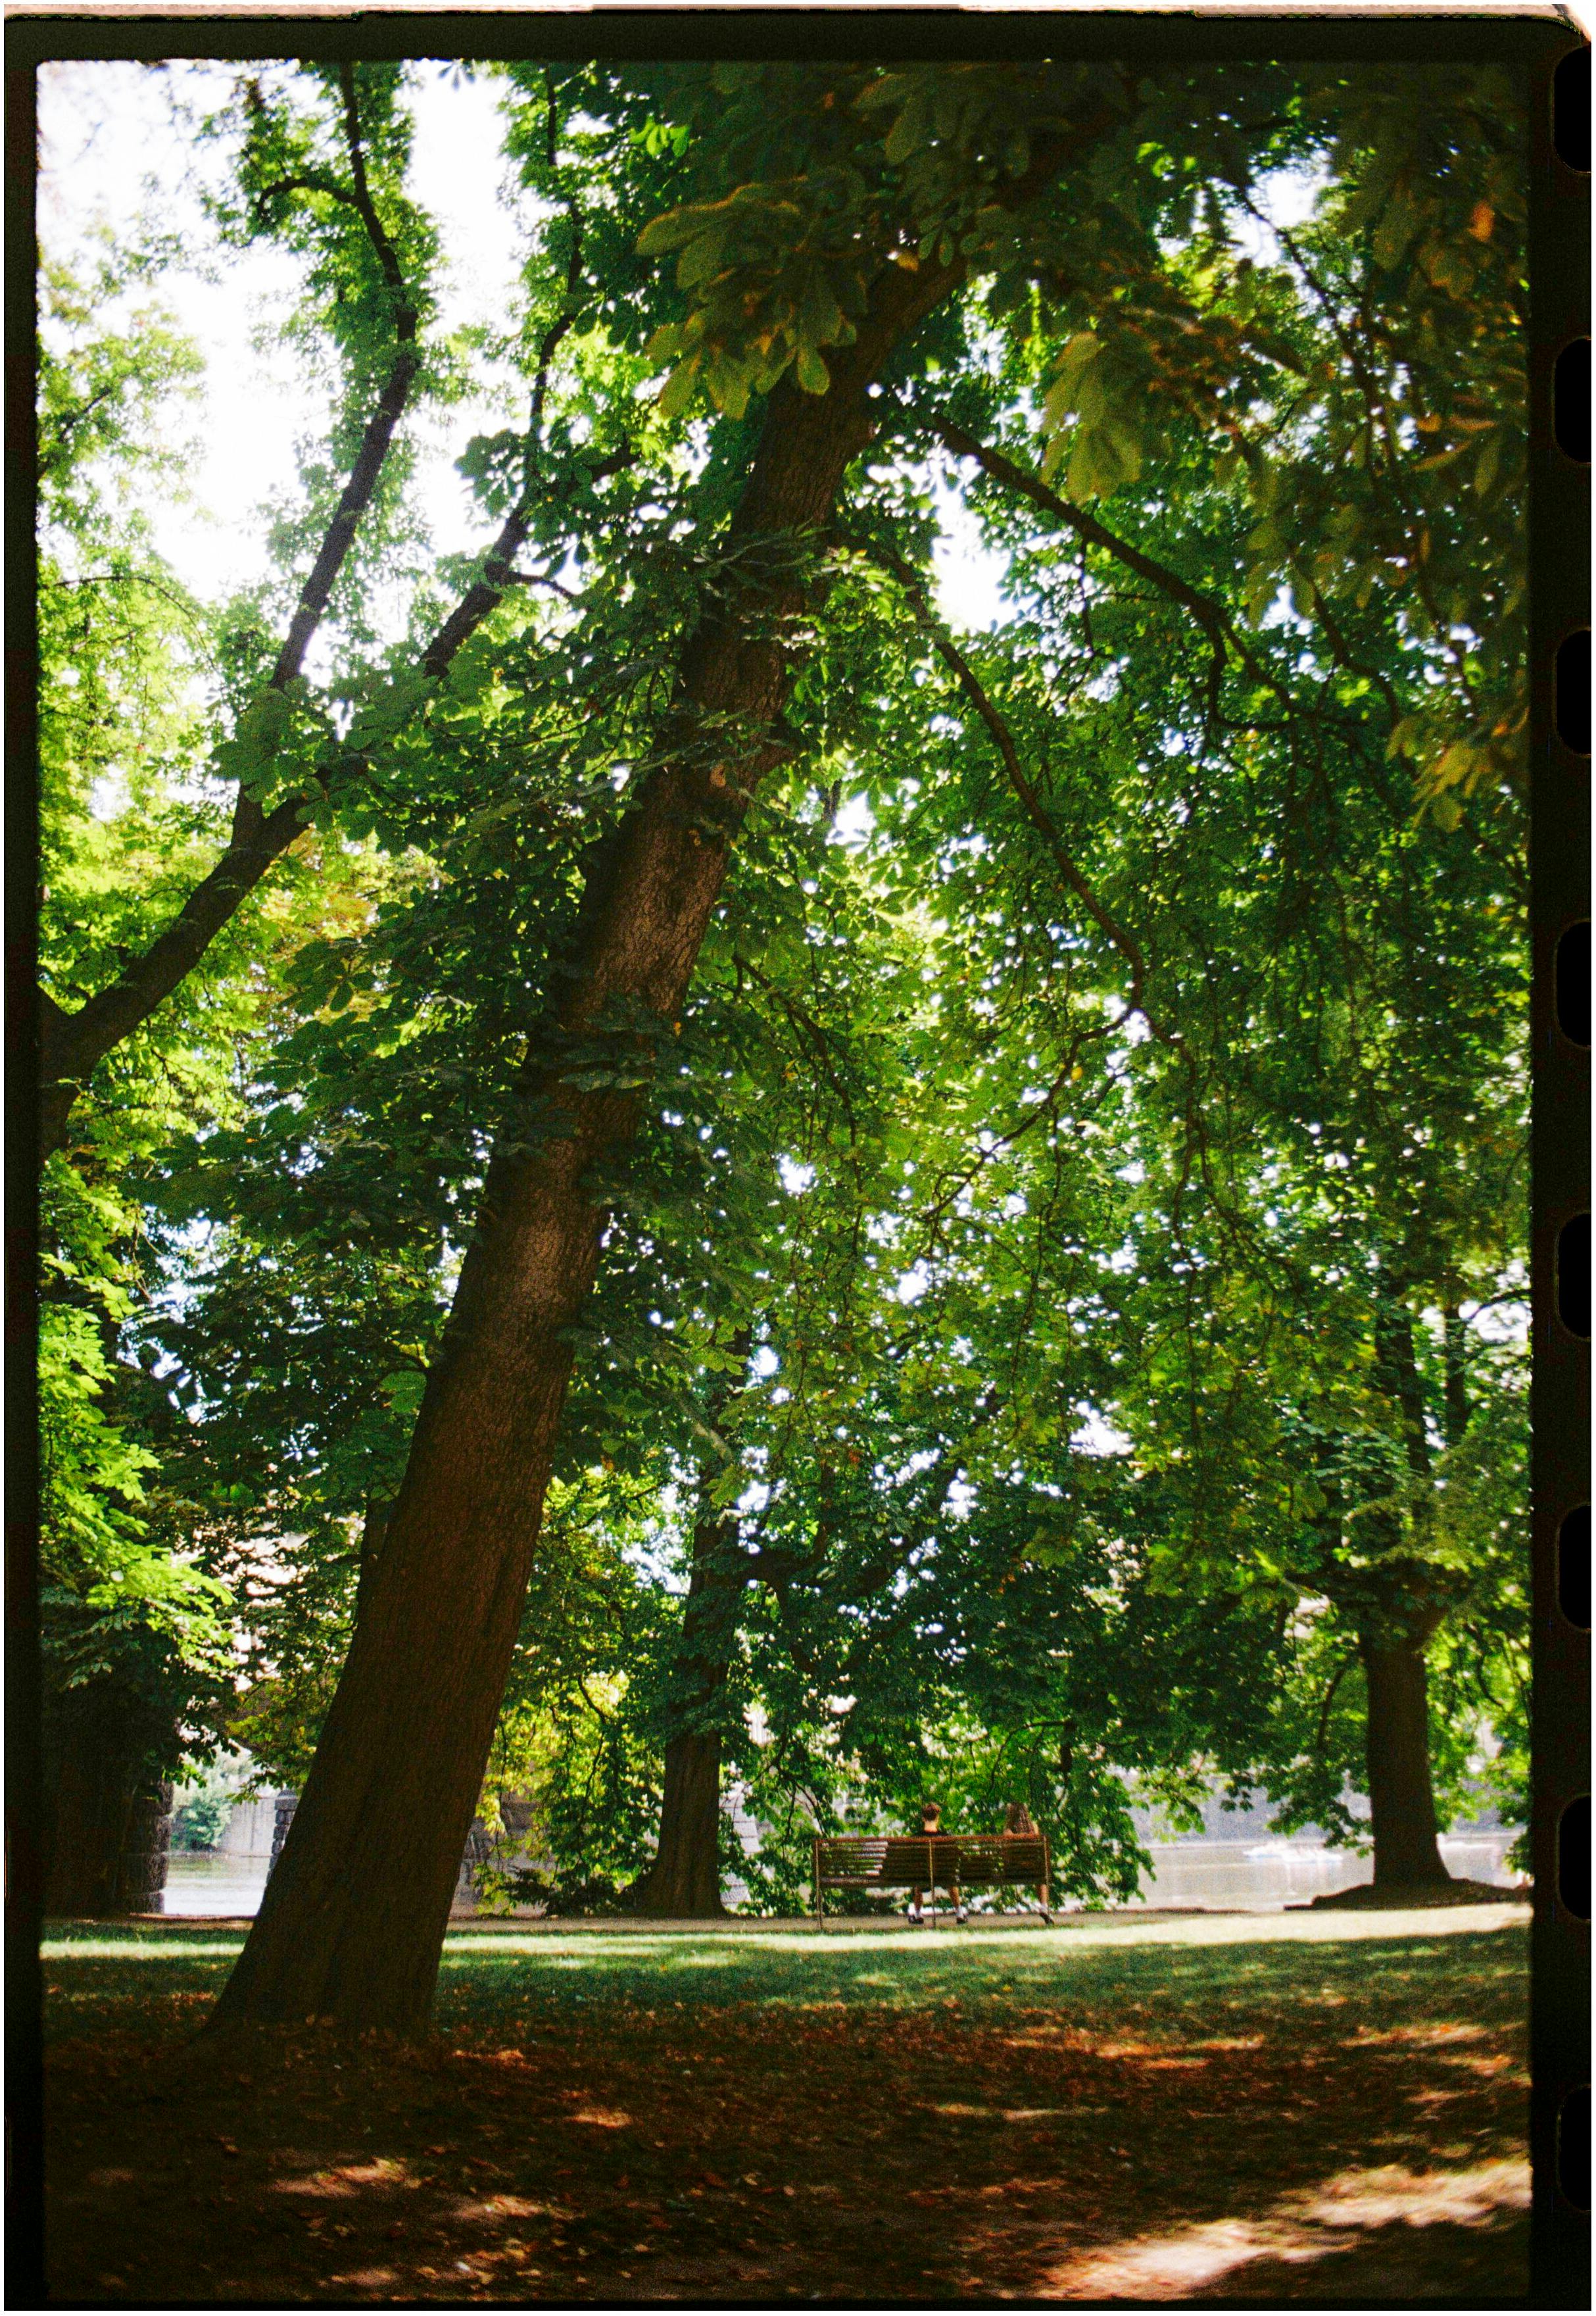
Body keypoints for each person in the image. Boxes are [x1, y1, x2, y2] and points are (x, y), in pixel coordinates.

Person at [907, 1801, 965, 1923]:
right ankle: (960, 1914)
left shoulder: (916, 1838)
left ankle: (918, 1915)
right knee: (951, 1881)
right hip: (945, 1875)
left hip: (923, 1876)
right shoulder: (947, 1839)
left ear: (923, 1818)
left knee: (918, 1883)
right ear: (938, 1818)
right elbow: (957, 1858)